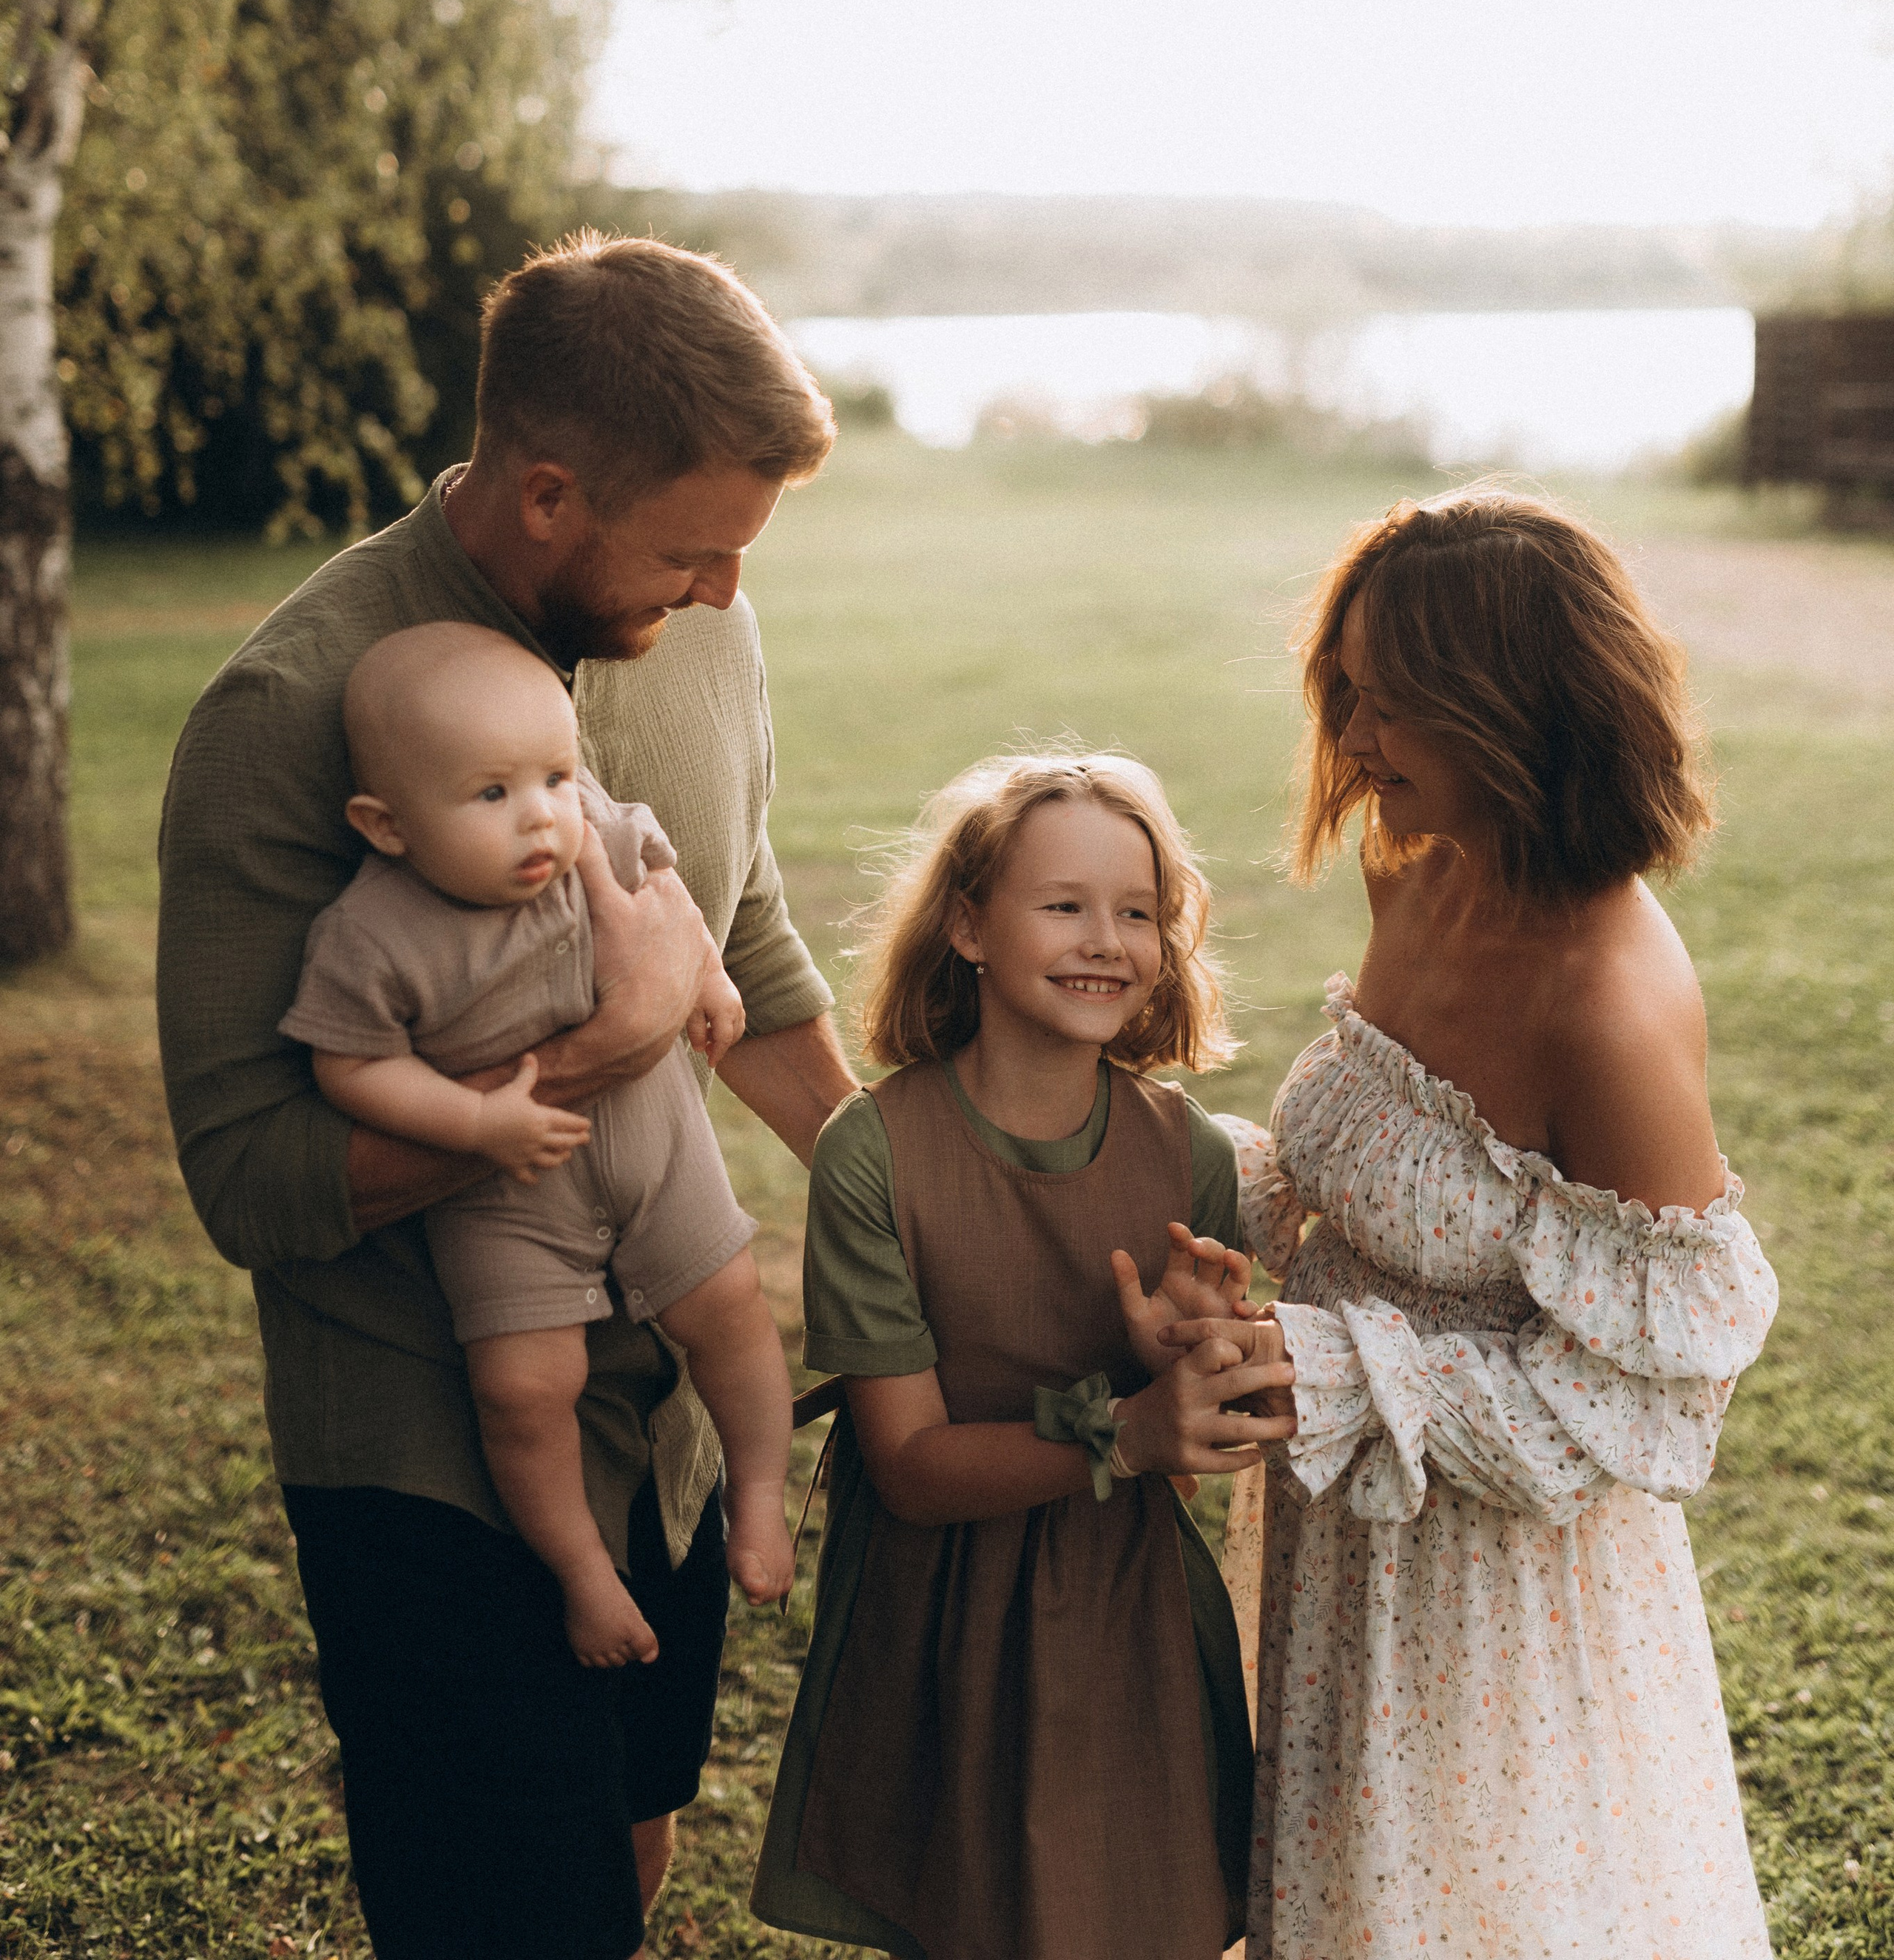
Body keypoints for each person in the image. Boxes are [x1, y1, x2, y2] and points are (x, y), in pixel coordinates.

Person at [157, 233, 857, 1960]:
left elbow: (744, 938)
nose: (715, 590)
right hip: (433, 1454)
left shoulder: (710, 627)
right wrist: (595, 1055)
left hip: (669, 1433)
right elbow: (252, 1177)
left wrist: (917, 1199)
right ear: (548, 492)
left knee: (624, 1848)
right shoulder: (288, 713)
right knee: (499, 1916)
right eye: (691, 547)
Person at [1170, 490, 1779, 1959]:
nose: (1351, 738)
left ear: (1506, 705)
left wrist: (1320, 1372)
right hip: (1342, 1543)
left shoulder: (1605, 998)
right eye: (1344, 692)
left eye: (1387, 703)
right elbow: (1365, 1186)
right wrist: (1144, 1159)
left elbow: (1653, 1393)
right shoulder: (1415, 866)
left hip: (1494, 1598)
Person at [752, 750, 1298, 1960]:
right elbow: (907, 1465)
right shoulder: (873, 1153)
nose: (1107, 939)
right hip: (938, 1619)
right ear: (967, 926)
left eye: (1140, 912)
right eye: (1064, 905)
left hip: (1125, 1612)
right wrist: (1128, 1428)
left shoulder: (1190, 1156)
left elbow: (1220, 1434)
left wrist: (1212, 1362)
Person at [279, 622, 795, 1668]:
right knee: (521, 1389)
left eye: (557, 777)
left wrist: (710, 977)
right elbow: (349, 1068)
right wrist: (476, 1124)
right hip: (508, 1192)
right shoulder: (370, 937)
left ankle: (762, 1497)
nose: (543, 817)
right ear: (386, 825)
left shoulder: (588, 824)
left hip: (656, 1144)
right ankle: (586, 1579)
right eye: (491, 796)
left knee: (729, 1309)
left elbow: (670, 888)